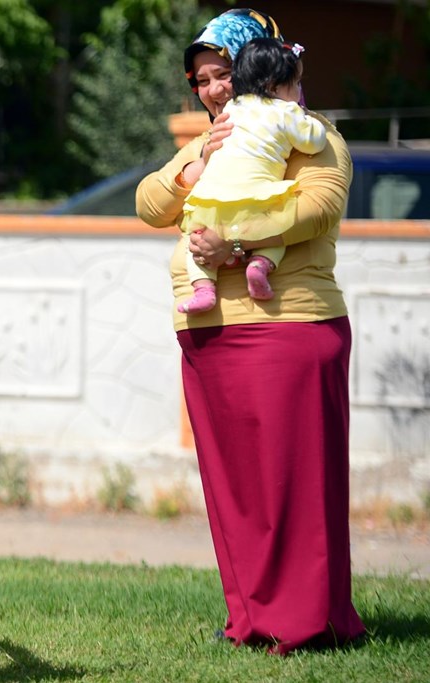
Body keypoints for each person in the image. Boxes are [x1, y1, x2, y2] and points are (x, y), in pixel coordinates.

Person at [135, 8, 366, 654]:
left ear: (254, 66)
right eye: (201, 81)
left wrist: (234, 239)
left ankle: (311, 620)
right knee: (236, 489)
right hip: (210, 332)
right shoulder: (215, 139)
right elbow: (151, 204)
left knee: (297, 483)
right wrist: (195, 166)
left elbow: (317, 207)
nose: (212, 91)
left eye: (223, 75)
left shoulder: (307, 131)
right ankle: (253, 617)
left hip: (290, 324)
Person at [179, 37, 327, 313]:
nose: (298, 90)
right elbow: (314, 142)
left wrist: (229, 244)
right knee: (275, 230)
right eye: (295, 83)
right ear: (273, 85)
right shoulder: (286, 111)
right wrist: (309, 119)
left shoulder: (231, 110)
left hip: (211, 199)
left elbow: (320, 212)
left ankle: (202, 289)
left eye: (225, 74)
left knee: (196, 241)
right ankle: (260, 265)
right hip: (257, 198)